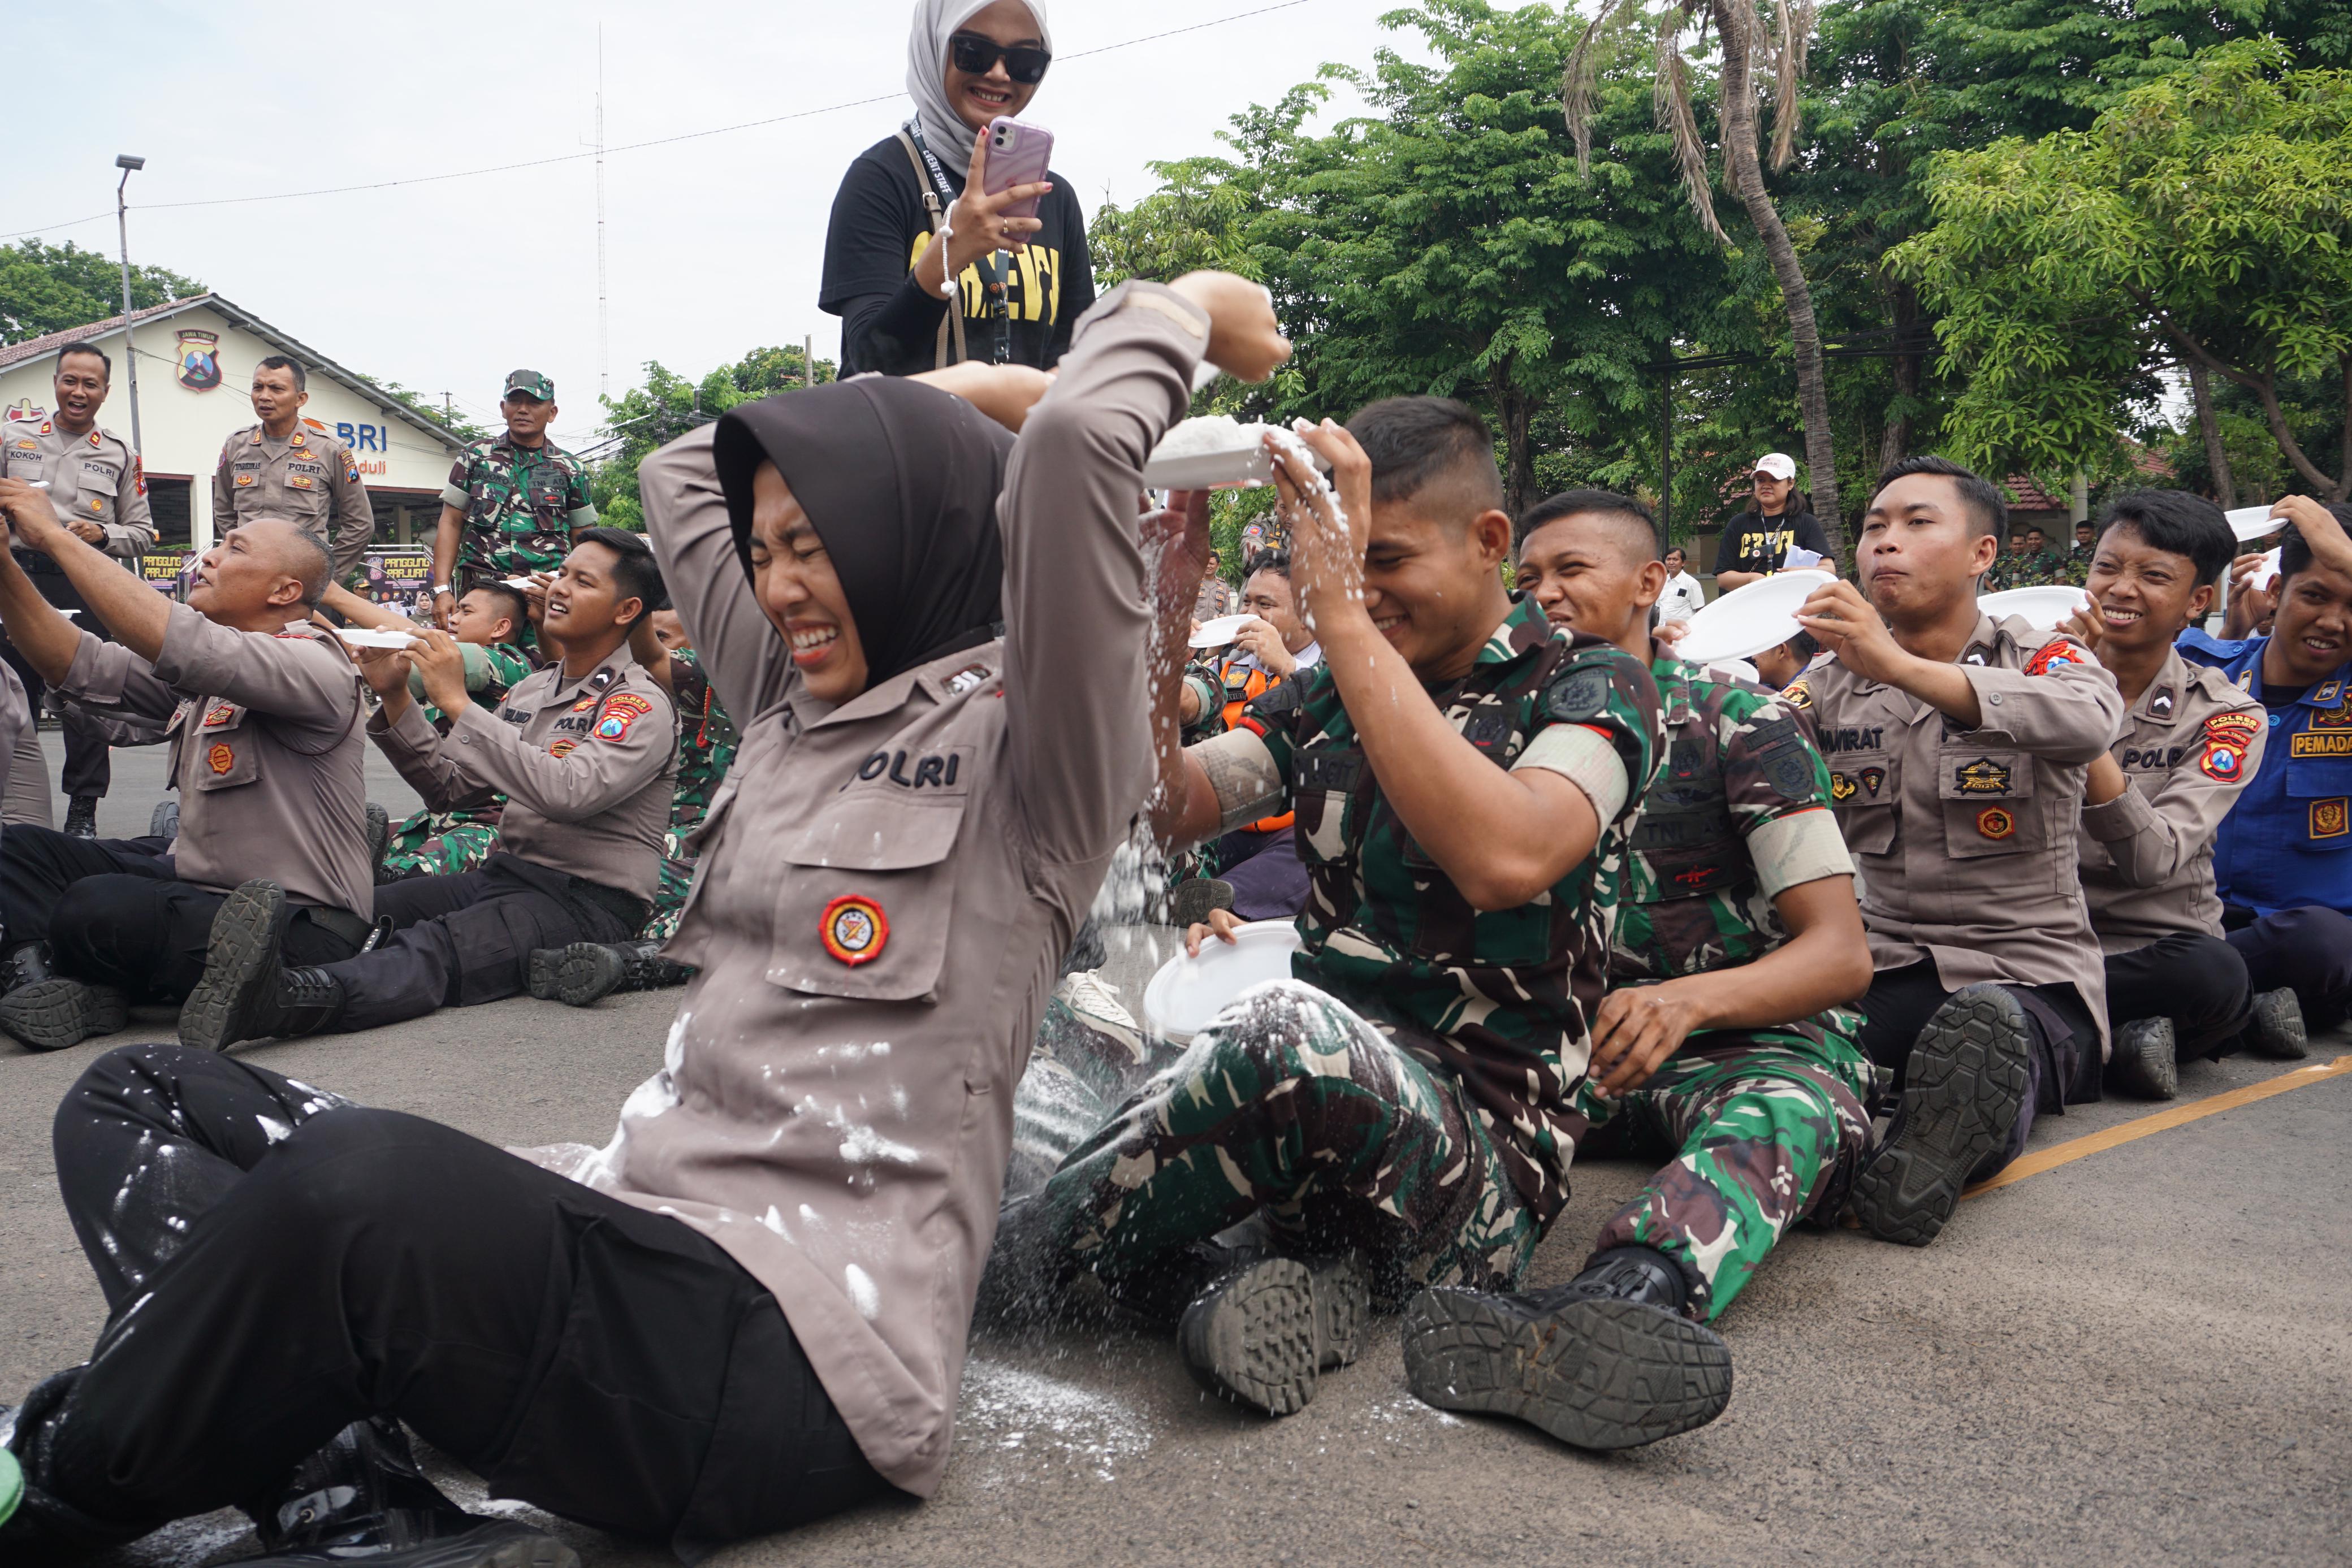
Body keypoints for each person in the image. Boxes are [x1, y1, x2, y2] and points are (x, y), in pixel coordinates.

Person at [988, 397, 1664, 1423]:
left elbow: (1508, 855)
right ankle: (1207, 1286)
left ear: (1489, 543)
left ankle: (1004, 1267)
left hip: (1470, 1171)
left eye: (1382, 558)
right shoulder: (1327, 695)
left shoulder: (1589, 683)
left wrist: (1340, 613)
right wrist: (1167, 605)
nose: (1355, 589)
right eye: (1341, 563)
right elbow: (1165, 805)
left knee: (1283, 1032)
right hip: (1296, 1137)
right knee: (1030, 1040)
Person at [1399, 490, 1873, 1451]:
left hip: (1737, 1041)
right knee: (1403, 1091)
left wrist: (1684, 999)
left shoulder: (1742, 724)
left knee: (1787, 1108)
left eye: (1573, 569)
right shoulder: (1494, 734)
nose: (1546, 595)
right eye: (1526, 578)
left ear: (1650, 583)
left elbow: (1839, 950)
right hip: (1565, 1050)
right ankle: (1310, 1275)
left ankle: (1617, 1303)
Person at [1790, 457, 2125, 1245]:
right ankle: (1836, 1140)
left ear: (1982, 553)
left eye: (1916, 523)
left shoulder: (2039, 653)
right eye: (1874, 527)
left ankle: (1934, 1150)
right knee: (1792, 1041)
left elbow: (2088, 721)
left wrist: (1900, 666)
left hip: (2029, 971)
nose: (1885, 545)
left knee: (1995, 1034)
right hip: (1891, 961)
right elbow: (1747, 741)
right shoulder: (1831, 677)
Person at [173, 529, 676, 1049]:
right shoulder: (534, 689)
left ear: (626, 610)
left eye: (584, 582)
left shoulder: (638, 704)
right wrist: (395, 698)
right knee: (352, 914)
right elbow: (452, 791)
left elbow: (569, 794)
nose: (560, 589)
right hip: (508, 875)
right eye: (564, 574)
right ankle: (177, 985)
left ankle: (286, 1002)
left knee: (434, 948)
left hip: (587, 903)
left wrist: (458, 704)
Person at [0, 481, 371, 1053]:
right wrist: (4, 562)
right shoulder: (215, 668)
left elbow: (179, 640)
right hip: (196, 889)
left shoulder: (312, 663)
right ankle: (53, 983)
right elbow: (77, 662)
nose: (211, 556)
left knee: (99, 906)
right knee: (18, 851)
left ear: (285, 589)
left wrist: (52, 534)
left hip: (293, 927)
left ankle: (69, 971)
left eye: (235, 548)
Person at [2072, 491, 2301, 1098]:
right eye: (2106, 567)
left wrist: (2071, 723)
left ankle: (2096, 1027)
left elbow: (2152, 858)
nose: (2119, 589)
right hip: (2033, 936)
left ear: (2197, 601)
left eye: (2151, 576)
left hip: (2150, 946)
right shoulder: (2019, 672)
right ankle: (2124, 1041)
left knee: (2211, 974)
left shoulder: (2227, 715)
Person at [820, 0, 1095, 375]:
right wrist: (949, 253)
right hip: (904, 433)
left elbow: (1075, 355)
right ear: (933, 47)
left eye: (1024, 62)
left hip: (1021, 433)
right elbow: (869, 362)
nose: (999, 74)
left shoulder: (1053, 198)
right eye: (973, 52)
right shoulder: (880, 179)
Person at [2175, 495, 2352, 1042]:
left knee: (2321, 942)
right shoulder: (2201, 666)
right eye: (2314, 595)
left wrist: (2339, 552)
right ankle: (2241, 1014)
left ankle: (2182, 1011)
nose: (2333, 622)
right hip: (2194, 922)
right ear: (2275, 592)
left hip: (2309, 934)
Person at [525, 607, 738, 1003]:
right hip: (651, 841)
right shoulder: (651, 688)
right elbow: (633, 657)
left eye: (666, 636)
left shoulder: (737, 681)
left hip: (720, 850)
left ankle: (622, 963)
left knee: (724, 910)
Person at [0, 342, 154, 838]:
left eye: (90, 384)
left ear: (106, 392)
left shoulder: (120, 454)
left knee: (87, 697)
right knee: (10, 692)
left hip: (87, 582)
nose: (78, 392)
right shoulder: (11, 438)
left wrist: (103, 535)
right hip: (17, 577)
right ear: (55, 382)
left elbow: (144, 533)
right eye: (71, 380)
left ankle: (82, 813)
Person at [374, 584, 535, 882]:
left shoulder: (514, 664)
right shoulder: (443, 670)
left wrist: (332, 599)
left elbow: (413, 638)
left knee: (409, 876)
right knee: (352, 858)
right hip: (442, 811)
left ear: (501, 627)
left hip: (491, 823)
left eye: (466, 611)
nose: (453, 618)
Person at [1192, 548, 1319, 920]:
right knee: (1166, 848)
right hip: (1227, 822)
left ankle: (1225, 896)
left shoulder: (1335, 668)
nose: (1249, 614)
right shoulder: (1223, 663)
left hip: (1295, 829)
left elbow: (1347, 727)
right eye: (1245, 601)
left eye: (1266, 604)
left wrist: (1287, 666)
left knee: (1317, 857)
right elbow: (1187, 705)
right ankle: (1197, 892)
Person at [427, 370, 599, 623]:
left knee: (550, 663)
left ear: (552, 413)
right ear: (503, 407)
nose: (523, 410)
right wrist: (442, 589)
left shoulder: (571, 468)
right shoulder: (476, 457)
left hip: (544, 596)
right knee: (482, 662)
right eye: (515, 401)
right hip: (483, 593)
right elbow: (451, 522)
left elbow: (583, 540)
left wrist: (586, 596)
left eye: (534, 403)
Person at [211, 357, 377, 600]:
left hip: (302, 588)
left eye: (277, 389)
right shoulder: (236, 445)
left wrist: (324, 579)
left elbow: (360, 525)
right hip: (247, 585)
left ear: (301, 399)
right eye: (258, 387)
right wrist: (238, 555)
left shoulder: (329, 449)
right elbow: (224, 511)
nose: (264, 396)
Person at [1713, 452, 1833, 591]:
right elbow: (1723, 578)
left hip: (1793, 604)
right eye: (1761, 480)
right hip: (1750, 605)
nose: (1766, 486)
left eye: (1775, 480)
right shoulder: (1738, 524)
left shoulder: (1806, 522)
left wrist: (1797, 573)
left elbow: (1829, 569)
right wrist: (1753, 578)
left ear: (1790, 484)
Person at [1656, 544, 1705, 625]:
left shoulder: (1692, 583)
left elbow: (1700, 611)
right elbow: (1658, 609)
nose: (1671, 563)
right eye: (1668, 559)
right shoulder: (1661, 582)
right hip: (1664, 632)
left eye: (1675, 559)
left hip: (1683, 633)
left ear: (1683, 563)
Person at [1193, 544, 1236, 621]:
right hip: (1196, 629)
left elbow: (1227, 612)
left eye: (1211, 564)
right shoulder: (1193, 583)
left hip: (1214, 629)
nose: (1208, 566)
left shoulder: (1223, 586)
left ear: (1218, 565)